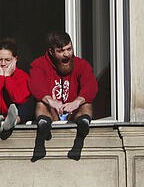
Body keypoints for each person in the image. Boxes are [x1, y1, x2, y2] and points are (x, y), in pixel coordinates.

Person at [28, 31, 98, 161]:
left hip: (74, 113)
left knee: (86, 102)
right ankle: (43, 128)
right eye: (61, 51)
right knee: (41, 103)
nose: (66, 54)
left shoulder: (81, 64)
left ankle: (82, 129)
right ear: (51, 52)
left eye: (69, 49)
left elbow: (91, 86)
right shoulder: (39, 64)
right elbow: (35, 85)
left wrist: (77, 101)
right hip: (52, 112)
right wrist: (50, 100)